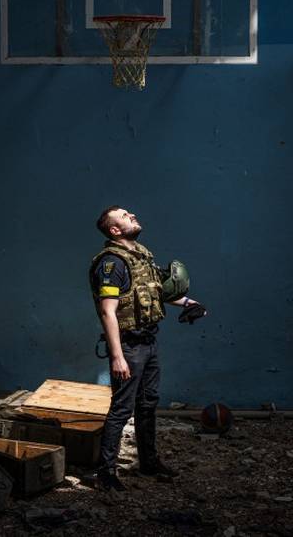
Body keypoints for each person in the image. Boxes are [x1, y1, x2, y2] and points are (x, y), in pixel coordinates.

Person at [89, 206, 206, 492]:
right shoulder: (112, 263)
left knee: (148, 404)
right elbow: (108, 312)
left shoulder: (140, 255)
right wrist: (117, 356)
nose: (132, 216)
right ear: (114, 231)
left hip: (149, 342)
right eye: (125, 216)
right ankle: (106, 473)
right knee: (121, 409)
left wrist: (189, 303)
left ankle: (149, 462)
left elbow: (157, 292)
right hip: (129, 346)